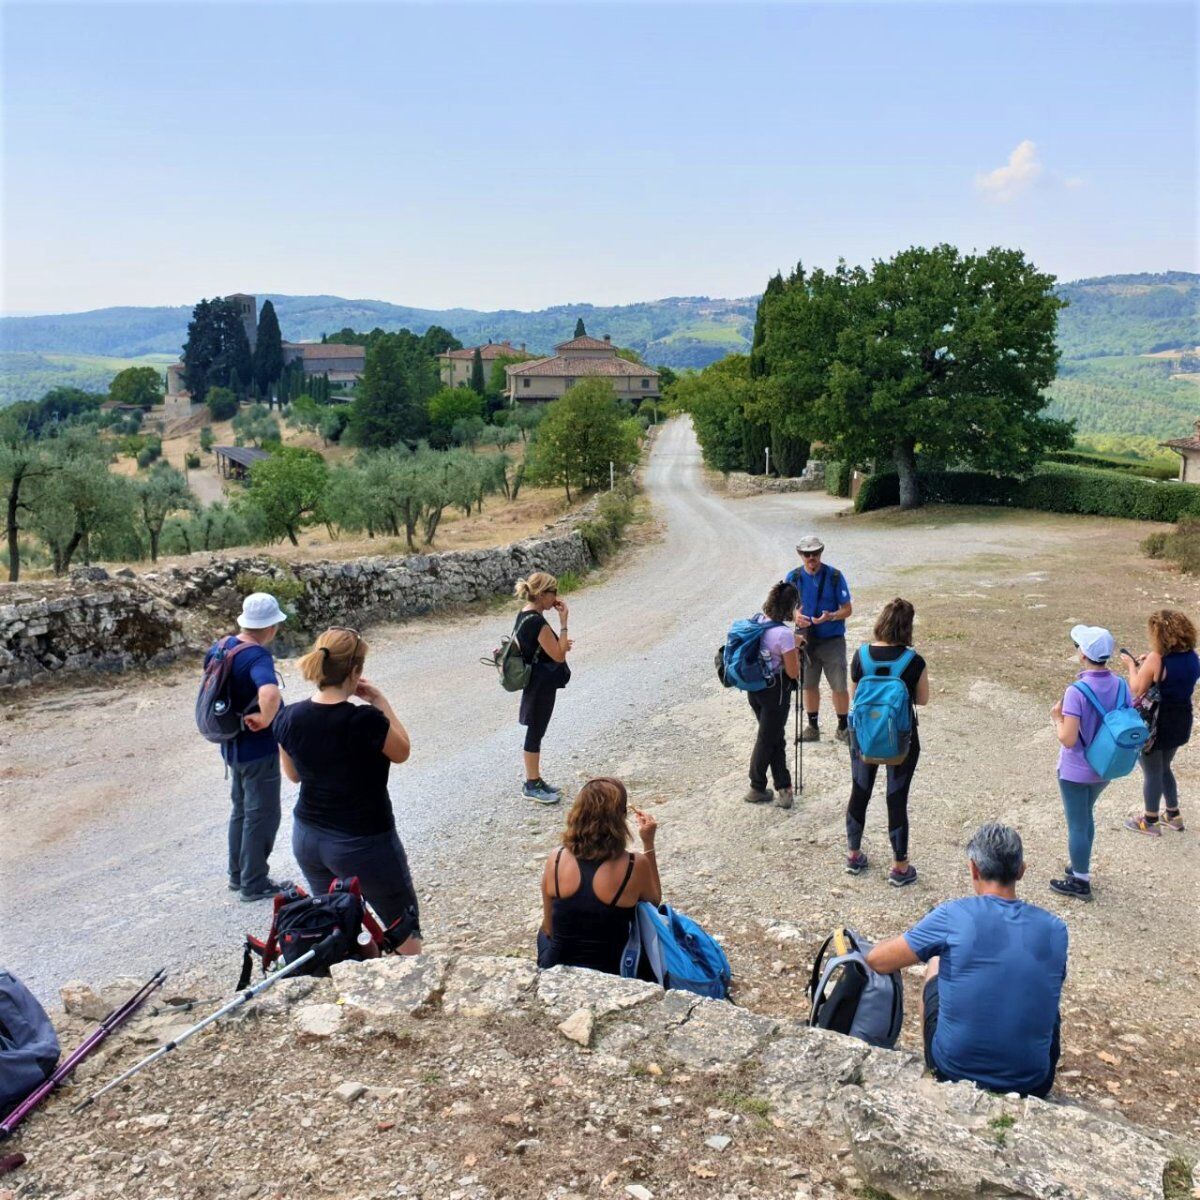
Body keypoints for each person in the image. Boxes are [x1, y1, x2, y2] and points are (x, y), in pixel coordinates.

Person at [866, 823, 1068, 1099]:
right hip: (1033, 1081)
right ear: (1021, 871)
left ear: (974, 869)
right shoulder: (1055, 928)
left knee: (937, 959)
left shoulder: (953, 915)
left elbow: (878, 960)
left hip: (954, 1069)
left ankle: (935, 1069)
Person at [272, 627, 421, 952]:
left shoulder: (288, 717)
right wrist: (380, 701)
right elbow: (403, 751)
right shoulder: (365, 720)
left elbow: (293, 776)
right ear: (356, 671)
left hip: (308, 837)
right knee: (404, 931)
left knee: (338, 922)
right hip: (363, 840)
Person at [207, 592, 287, 902]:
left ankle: (238, 875)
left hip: (231, 746)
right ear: (271, 628)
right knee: (263, 813)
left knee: (241, 810)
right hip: (257, 749)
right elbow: (269, 693)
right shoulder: (257, 656)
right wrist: (267, 719)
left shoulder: (221, 647)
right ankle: (255, 882)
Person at [538, 777, 662, 975]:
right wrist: (648, 843)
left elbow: (548, 928)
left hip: (555, 967)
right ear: (620, 818)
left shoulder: (557, 857)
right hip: (611, 970)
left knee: (544, 931)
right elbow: (654, 902)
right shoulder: (633, 864)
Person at [844, 598, 929, 886]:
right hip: (900, 740)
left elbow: (854, 696)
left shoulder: (861, 655)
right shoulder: (913, 661)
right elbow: (923, 699)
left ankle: (854, 855)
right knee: (896, 796)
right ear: (908, 627)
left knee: (860, 789)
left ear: (881, 621)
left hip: (863, 738)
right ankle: (899, 866)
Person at [1049, 624, 1123, 901]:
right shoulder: (1120, 685)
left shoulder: (1076, 692)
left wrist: (1057, 717)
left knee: (1077, 824)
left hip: (1075, 770)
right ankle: (1080, 864)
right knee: (1086, 816)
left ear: (1083, 655)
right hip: (1105, 767)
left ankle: (1080, 880)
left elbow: (1068, 739)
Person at [1121, 609, 1199, 835]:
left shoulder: (1157, 659)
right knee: (1165, 767)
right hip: (1181, 718)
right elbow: (1173, 675)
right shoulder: (1193, 657)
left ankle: (1150, 820)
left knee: (1152, 771)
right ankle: (1173, 815)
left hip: (1157, 722)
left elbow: (1136, 689)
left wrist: (1132, 666)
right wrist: (1150, 663)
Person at [784, 534, 853, 744]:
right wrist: (796, 616)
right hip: (805, 640)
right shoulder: (793, 578)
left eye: (814, 553)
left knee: (839, 685)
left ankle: (842, 728)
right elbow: (786, 608)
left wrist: (831, 616)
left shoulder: (834, 576)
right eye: (807, 554)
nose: (811, 557)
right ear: (800, 554)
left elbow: (848, 609)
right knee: (808, 685)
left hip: (832, 639)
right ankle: (812, 727)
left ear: (821, 553)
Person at [514, 572, 572, 805]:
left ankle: (535, 780)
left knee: (536, 729)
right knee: (536, 730)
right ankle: (531, 783)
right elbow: (557, 655)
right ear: (542, 594)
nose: (555, 597)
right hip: (541, 682)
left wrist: (560, 644)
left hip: (535, 680)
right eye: (553, 592)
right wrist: (564, 625)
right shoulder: (537, 621)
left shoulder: (524, 615)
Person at [743, 581, 802, 808]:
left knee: (774, 736)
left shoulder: (757, 621)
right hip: (775, 692)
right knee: (768, 739)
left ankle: (784, 789)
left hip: (755, 688)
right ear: (790, 606)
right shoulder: (784, 634)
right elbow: (793, 671)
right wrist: (796, 647)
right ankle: (756, 787)